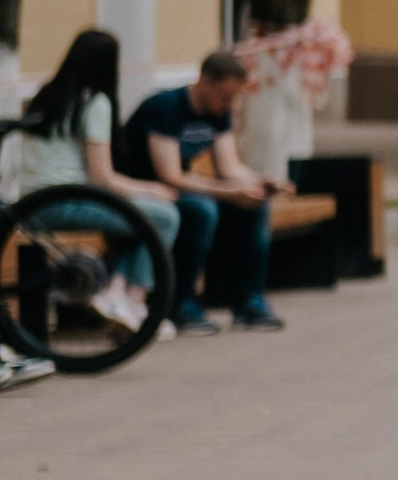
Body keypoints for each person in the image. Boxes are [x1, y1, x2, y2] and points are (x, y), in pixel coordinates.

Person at [13, 28, 180, 331]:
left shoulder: (48, 93)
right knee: (164, 217)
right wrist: (152, 189)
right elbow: (102, 178)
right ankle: (134, 298)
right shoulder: (96, 103)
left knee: (139, 219)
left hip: (32, 202)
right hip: (64, 204)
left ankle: (117, 293)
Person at [114, 48, 287, 329]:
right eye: (224, 95)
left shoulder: (219, 111)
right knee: (201, 210)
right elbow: (170, 176)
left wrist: (260, 181)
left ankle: (248, 303)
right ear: (204, 80)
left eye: (234, 97)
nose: (228, 103)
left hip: (175, 190)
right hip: (143, 191)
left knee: (255, 206)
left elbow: (229, 168)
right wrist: (231, 193)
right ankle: (180, 303)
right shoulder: (165, 107)